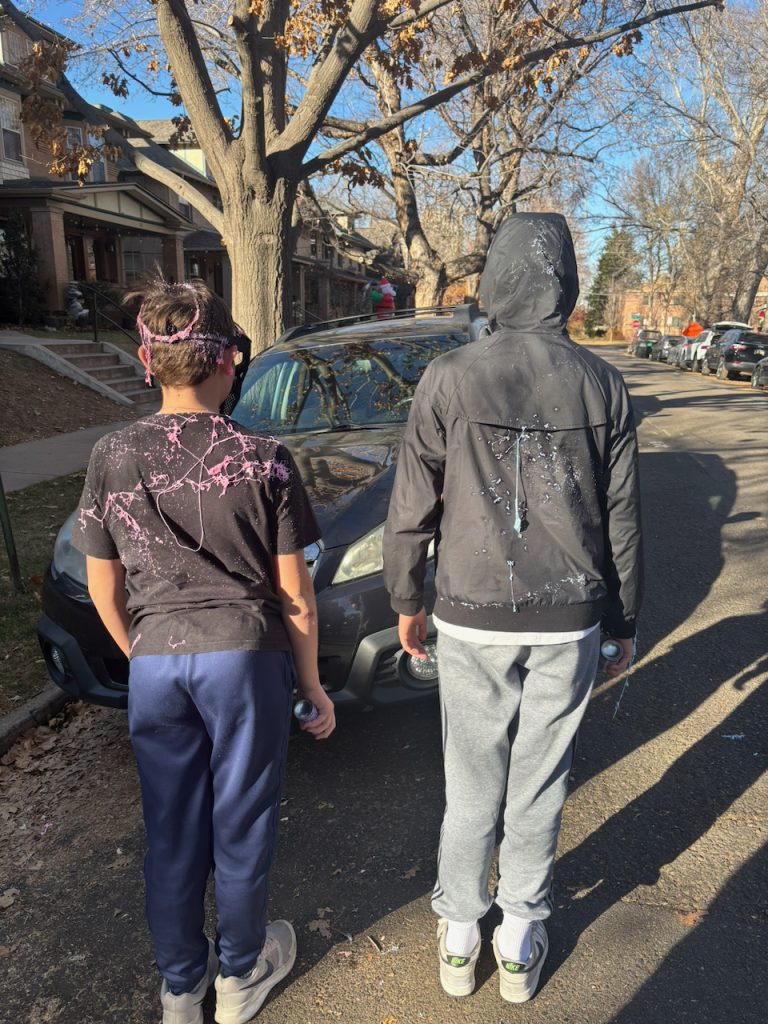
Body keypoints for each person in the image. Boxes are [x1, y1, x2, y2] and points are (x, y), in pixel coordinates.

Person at [383, 213, 642, 1004]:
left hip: (471, 609)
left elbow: (412, 501)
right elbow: (622, 518)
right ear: (565, 281)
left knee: (472, 778)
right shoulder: (602, 383)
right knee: (539, 779)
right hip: (569, 614)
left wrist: (406, 596)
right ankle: (520, 936)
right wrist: (624, 621)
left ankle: (462, 935)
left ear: (496, 276)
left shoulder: (448, 376)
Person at [71, 277, 335, 1024]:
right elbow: (295, 593)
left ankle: (182, 987)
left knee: (171, 830)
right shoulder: (265, 457)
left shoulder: (111, 455)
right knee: (241, 825)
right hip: (244, 658)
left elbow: (102, 587)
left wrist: (142, 653)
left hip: (158, 659)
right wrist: (311, 685)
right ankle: (241, 974)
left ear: (146, 362)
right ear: (227, 363)